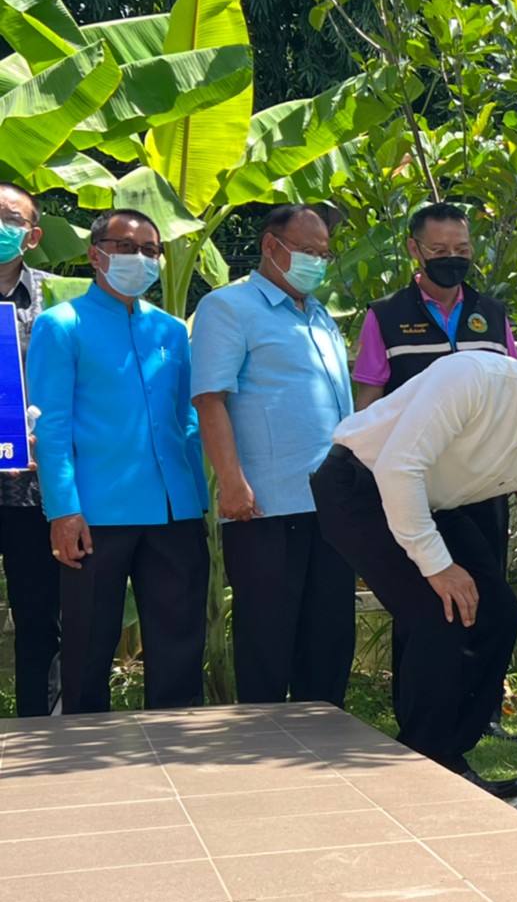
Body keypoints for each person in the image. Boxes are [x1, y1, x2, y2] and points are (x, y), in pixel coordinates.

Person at [310, 335, 517, 792]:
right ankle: (421, 769)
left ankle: (447, 754)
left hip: (431, 504)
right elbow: (398, 468)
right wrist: (437, 564)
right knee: (438, 613)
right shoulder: (473, 378)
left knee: (499, 616)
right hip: (359, 484)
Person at [352, 201, 517, 738]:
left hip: (481, 484)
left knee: (488, 595)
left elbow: (515, 389)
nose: (453, 260)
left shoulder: (492, 315)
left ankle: (482, 709)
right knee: (427, 603)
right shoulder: (384, 316)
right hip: (417, 490)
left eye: (463, 251)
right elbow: (369, 400)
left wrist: (515, 467)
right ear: (414, 251)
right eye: (441, 251)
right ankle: (416, 710)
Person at [29, 209, 210, 713]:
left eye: (150, 251)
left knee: (179, 640)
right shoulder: (60, 325)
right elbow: (52, 425)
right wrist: (63, 511)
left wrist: (197, 497)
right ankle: (83, 751)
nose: (139, 259)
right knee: (88, 641)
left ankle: (177, 743)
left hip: (175, 510)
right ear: (96, 254)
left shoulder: (171, 331)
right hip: (95, 513)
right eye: (125, 247)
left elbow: (186, 420)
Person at [191, 204, 356, 706]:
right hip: (267, 504)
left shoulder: (320, 314)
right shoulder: (229, 307)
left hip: (332, 505)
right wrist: (233, 483)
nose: (317, 262)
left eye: (323, 254)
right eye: (307, 251)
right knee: (268, 639)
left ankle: (326, 741)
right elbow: (209, 399)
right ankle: (264, 748)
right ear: (270, 246)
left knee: (328, 637)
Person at [0, 184, 61, 717]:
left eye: (8, 218)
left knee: (40, 618)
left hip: (32, 489)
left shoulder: (56, 300)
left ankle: (40, 730)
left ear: (33, 236)